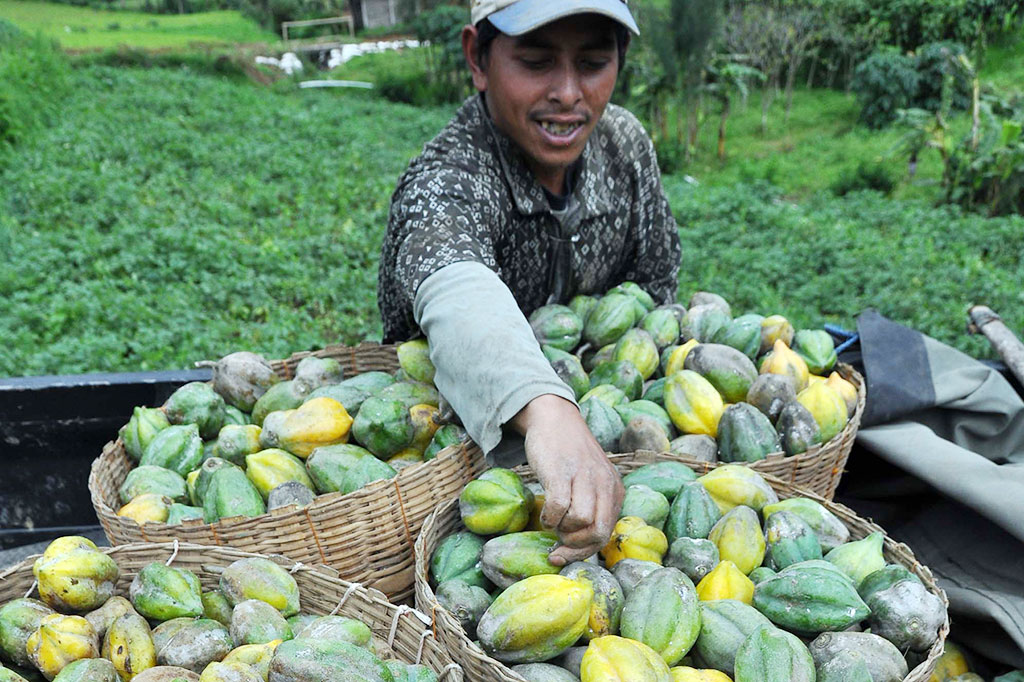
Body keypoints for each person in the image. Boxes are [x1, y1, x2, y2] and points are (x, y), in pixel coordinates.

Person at [377, 0, 681, 564]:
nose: (568, 93)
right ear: (478, 56)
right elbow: (453, 284)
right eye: (537, 62)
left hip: (610, 462)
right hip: (461, 482)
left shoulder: (625, 148)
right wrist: (546, 410)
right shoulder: (447, 176)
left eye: (592, 63)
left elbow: (655, 300)